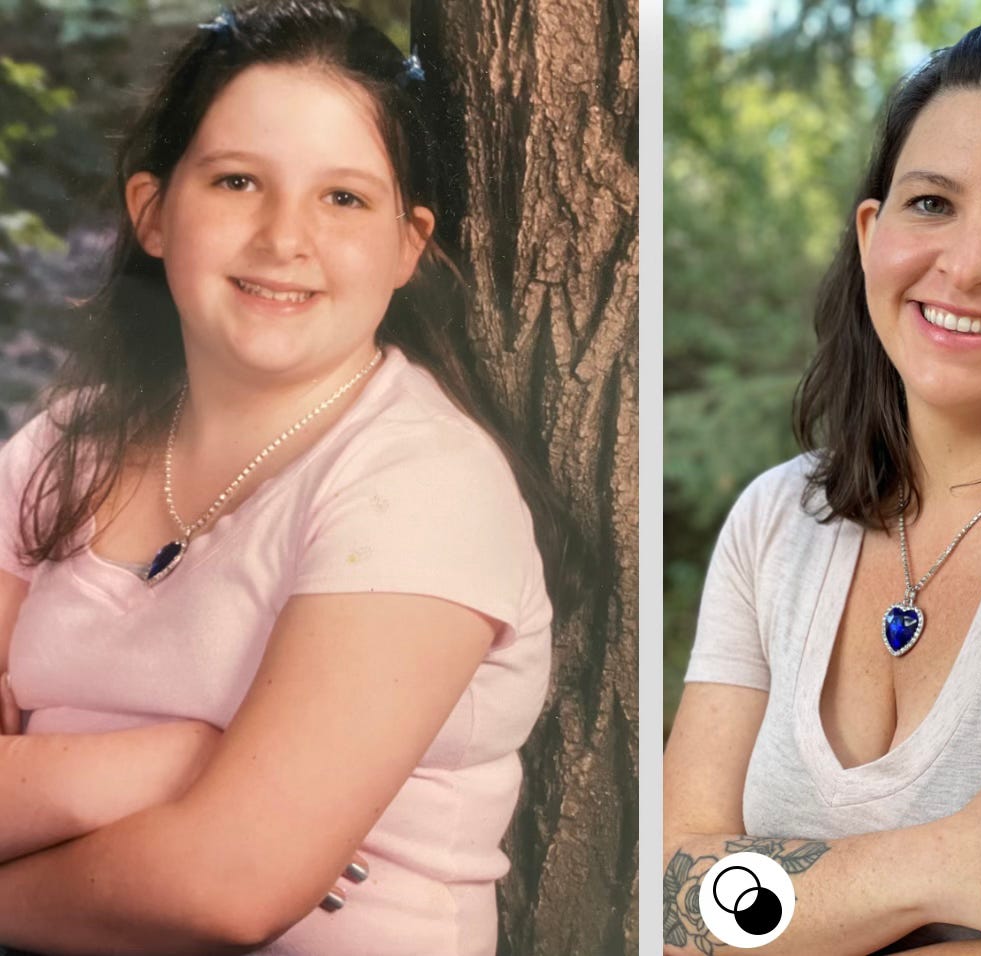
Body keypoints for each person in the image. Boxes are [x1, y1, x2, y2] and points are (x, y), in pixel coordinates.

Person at [0, 2, 573, 953]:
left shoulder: (423, 480)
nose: (283, 238)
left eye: (343, 198)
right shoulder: (66, 442)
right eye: (236, 181)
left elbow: (230, 886)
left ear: (406, 246)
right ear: (153, 211)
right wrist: (165, 764)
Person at [664, 23, 981, 956]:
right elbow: (668, 895)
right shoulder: (774, 522)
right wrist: (946, 863)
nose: (968, 265)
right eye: (932, 203)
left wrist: (770, 919)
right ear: (871, 235)